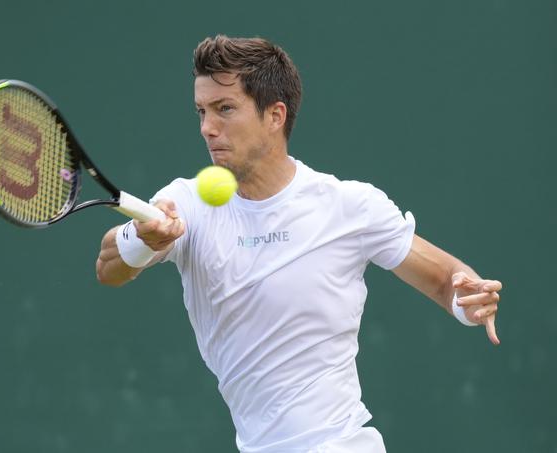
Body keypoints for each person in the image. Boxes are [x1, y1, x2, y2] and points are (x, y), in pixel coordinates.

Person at [96, 35, 502, 453]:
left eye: (225, 109)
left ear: (275, 115)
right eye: (201, 111)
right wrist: (142, 239)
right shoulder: (187, 205)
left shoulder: (349, 206)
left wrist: (467, 301)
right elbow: (109, 267)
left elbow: (446, 279)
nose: (207, 127)